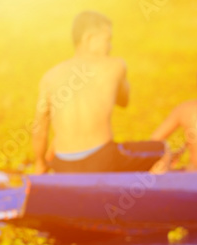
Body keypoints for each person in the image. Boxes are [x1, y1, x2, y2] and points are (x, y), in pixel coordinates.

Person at [33, 11, 157, 174]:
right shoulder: (115, 65)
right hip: (102, 158)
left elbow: (39, 128)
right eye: (107, 40)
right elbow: (124, 101)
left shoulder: (50, 76)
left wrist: (40, 163)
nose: (110, 46)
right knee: (163, 151)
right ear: (89, 38)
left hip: (63, 163)